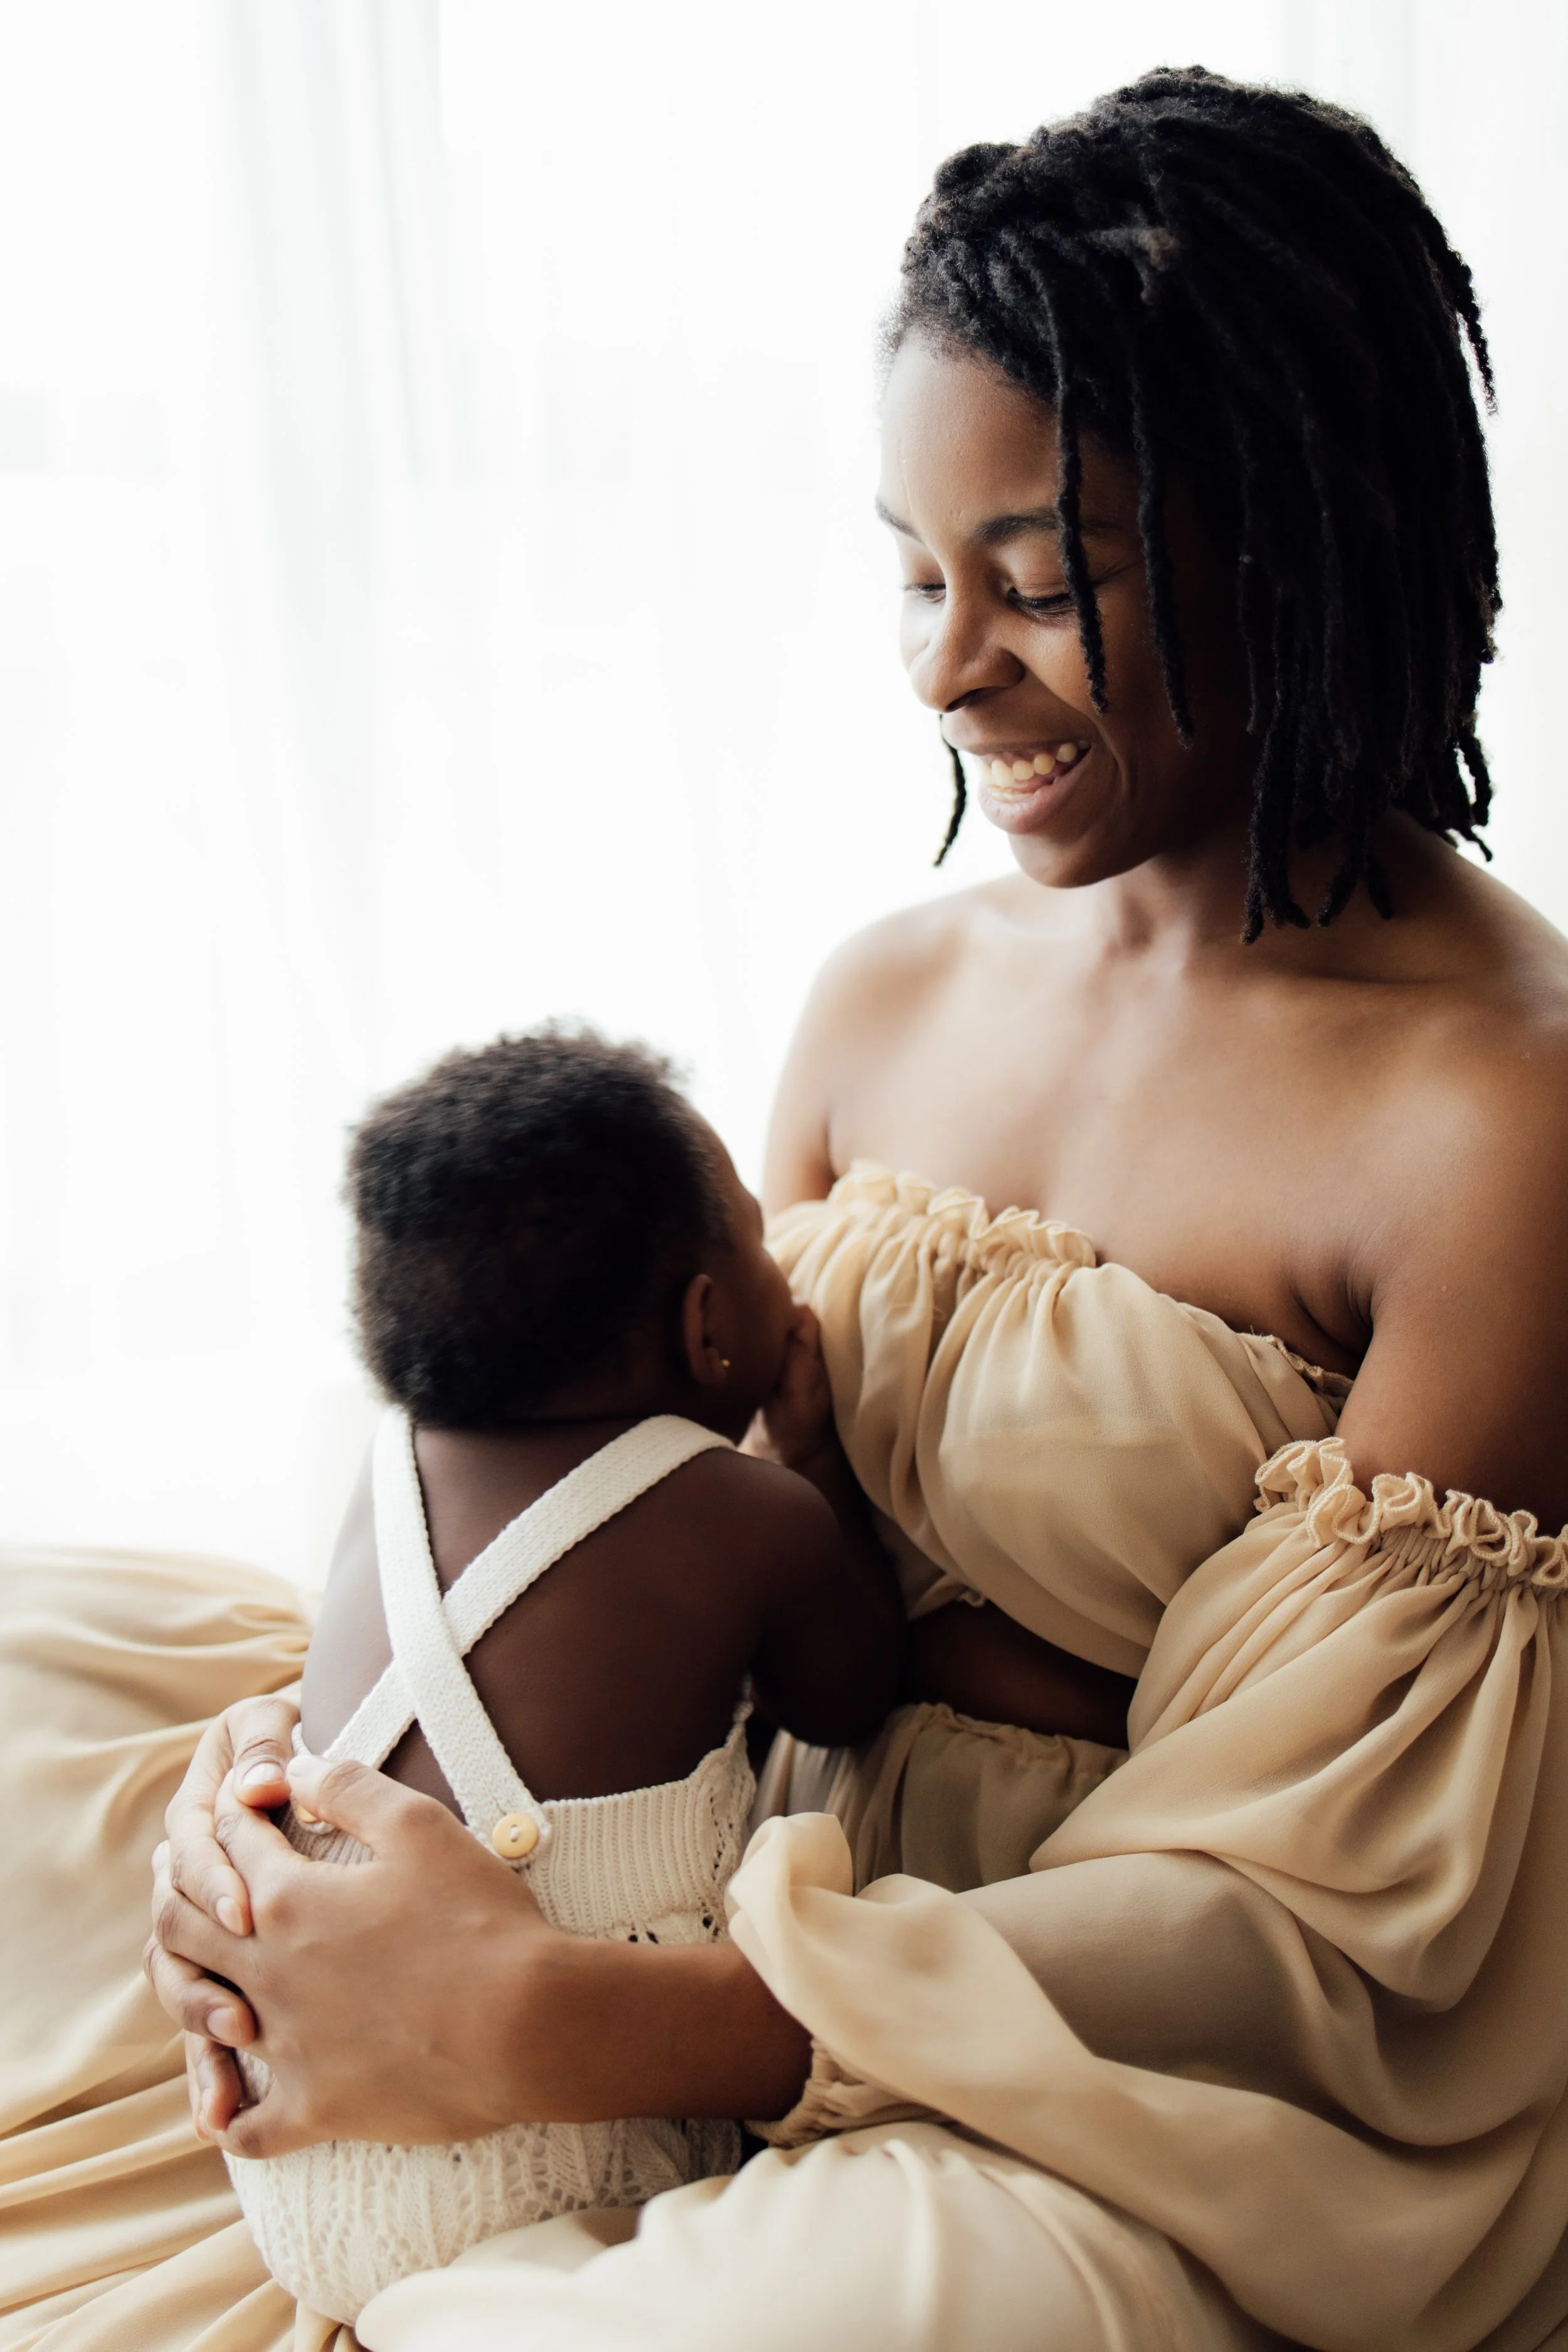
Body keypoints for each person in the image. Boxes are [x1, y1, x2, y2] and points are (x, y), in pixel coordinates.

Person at [6, 63, 1568, 2352]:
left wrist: (544, 2019)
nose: (945, 668)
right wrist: (301, 1816)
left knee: (839, 2316)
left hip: (1117, 2049)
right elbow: (644, 1500)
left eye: (1038, 585)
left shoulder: (1498, 1122)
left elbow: (1305, 1924)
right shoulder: (883, 994)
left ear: (1296, 538)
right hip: (703, 1839)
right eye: (917, 575)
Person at [222, 1029, 905, 2325]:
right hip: (566, 2146)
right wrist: (813, 1462)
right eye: (760, 1243)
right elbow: (848, 1698)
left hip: (302, 2129)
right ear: (709, 1327)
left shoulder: (382, 1471)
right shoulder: (747, 1511)